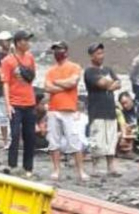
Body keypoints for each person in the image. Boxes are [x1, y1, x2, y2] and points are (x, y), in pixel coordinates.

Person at [43, 41, 85, 182]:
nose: (57, 52)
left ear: (66, 50)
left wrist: (57, 83)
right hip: (53, 109)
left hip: (69, 109)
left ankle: (80, 171)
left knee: (75, 141)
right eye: (55, 49)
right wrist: (64, 85)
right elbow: (47, 88)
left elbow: (73, 82)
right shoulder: (50, 71)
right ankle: (56, 169)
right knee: (53, 141)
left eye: (59, 49)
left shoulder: (75, 67)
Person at [1, 30, 37, 178]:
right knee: (15, 134)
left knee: (30, 135)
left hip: (29, 102)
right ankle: (12, 165)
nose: (28, 43)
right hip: (15, 103)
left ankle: (28, 167)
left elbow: (32, 76)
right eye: (25, 40)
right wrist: (8, 104)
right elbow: (5, 83)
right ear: (18, 43)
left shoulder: (30, 58)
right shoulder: (7, 61)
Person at [84, 42, 121, 176]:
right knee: (97, 139)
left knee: (111, 139)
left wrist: (109, 85)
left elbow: (119, 83)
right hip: (97, 110)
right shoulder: (89, 71)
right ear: (92, 56)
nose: (101, 56)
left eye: (102, 53)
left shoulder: (108, 70)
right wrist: (109, 84)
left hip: (110, 110)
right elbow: (101, 83)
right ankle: (95, 166)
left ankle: (111, 166)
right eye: (98, 53)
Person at [0, 31, 13, 149]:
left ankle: (14, 140)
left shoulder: (14, 55)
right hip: (1, 90)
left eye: (10, 40)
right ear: (0, 42)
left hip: (14, 91)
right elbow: (0, 73)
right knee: (3, 117)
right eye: (6, 40)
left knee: (14, 116)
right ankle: (5, 141)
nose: (9, 42)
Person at [116, 91, 139, 156]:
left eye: (126, 102)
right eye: (122, 104)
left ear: (130, 98)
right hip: (129, 133)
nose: (125, 105)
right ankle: (127, 151)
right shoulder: (122, 112)